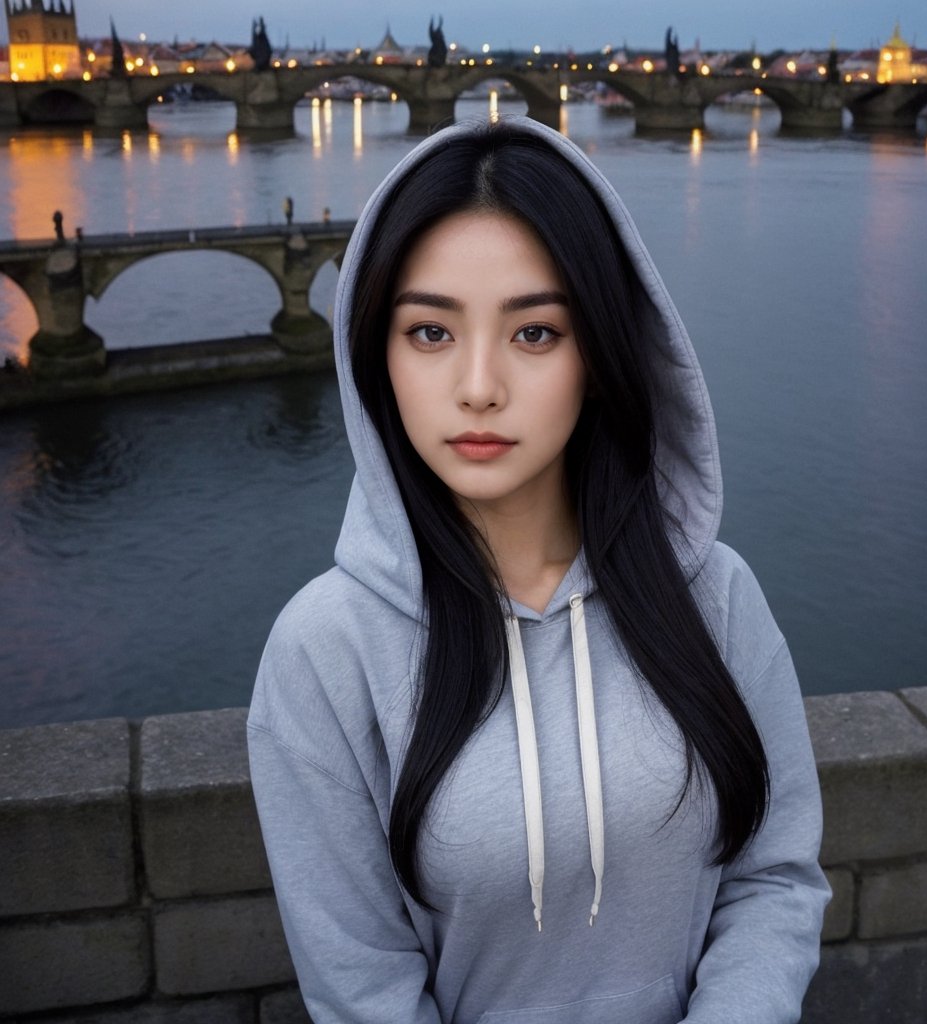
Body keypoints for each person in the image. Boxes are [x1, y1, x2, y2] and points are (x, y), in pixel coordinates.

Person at [248, 116, 829, 1024]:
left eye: (535, 334)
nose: (479, 385)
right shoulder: (326, 651)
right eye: (431, 333)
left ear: (598, 356)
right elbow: (360, 984)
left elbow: (775, 877)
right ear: (376, 358)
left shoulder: (714, 597)